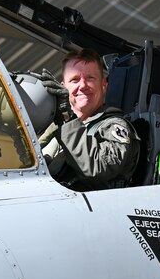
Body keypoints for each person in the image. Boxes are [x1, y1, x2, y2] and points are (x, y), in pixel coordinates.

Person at [39, 49, 139, 190]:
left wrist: (66, 117)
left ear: (104, 85)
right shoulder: (53, 127)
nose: (83, 85)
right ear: (63, 87)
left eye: (90, 78)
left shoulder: (114, 126)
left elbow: (99, 167)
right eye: (74, 80)